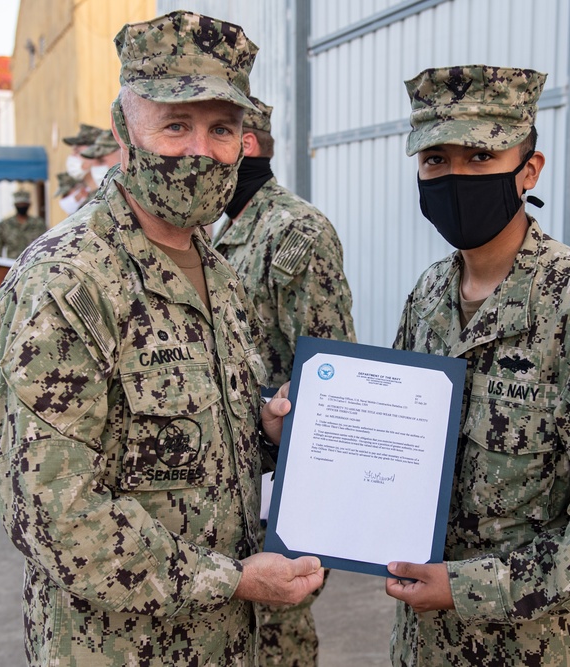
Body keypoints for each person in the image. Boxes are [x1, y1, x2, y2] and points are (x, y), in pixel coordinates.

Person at [0, 11, 323, 666]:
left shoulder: (217, 274)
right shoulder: (69, 281)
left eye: (221, 128)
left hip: (225, 644)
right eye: (175, 124)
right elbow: (53, 516)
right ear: (122, 129)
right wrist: (235, 578)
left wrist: (263, 431)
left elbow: (178, 444)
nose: (199, 150)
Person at [384, 65, 570, 665]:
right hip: (424, 647)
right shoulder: (429, 296)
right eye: (436, 159)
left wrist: (467, 589)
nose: (456, 177)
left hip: (540, 650)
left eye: (481, 157)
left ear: (528, 171)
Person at [213, 96, 356, 666]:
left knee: (278, 636)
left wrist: (315, 503)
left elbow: (330, 366)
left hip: (282, 478)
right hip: (241, 475)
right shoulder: (225, 231)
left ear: (245, 147)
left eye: (218, 141)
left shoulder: (294, 231)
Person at [0, 190, 47, 258]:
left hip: (33, 264)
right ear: (15, 205)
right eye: (19, 204)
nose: (22, 206)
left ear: (29, 205)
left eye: (24, 204)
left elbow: (46, 246)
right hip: (12, 264)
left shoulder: (38, 224)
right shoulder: (4, 225)